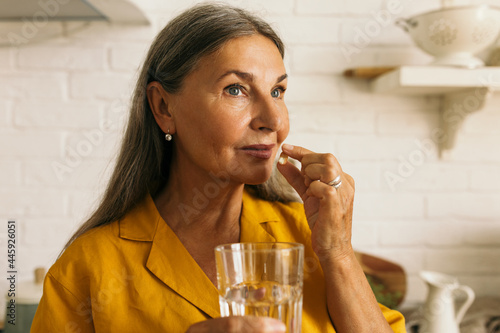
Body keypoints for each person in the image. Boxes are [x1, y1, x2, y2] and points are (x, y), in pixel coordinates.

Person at [31, 3, 406, 333]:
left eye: (278, 91)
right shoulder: (87, 268)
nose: (273, 119)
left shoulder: (310, 237)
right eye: (236, 90)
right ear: (163, 107)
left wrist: (339, 254)